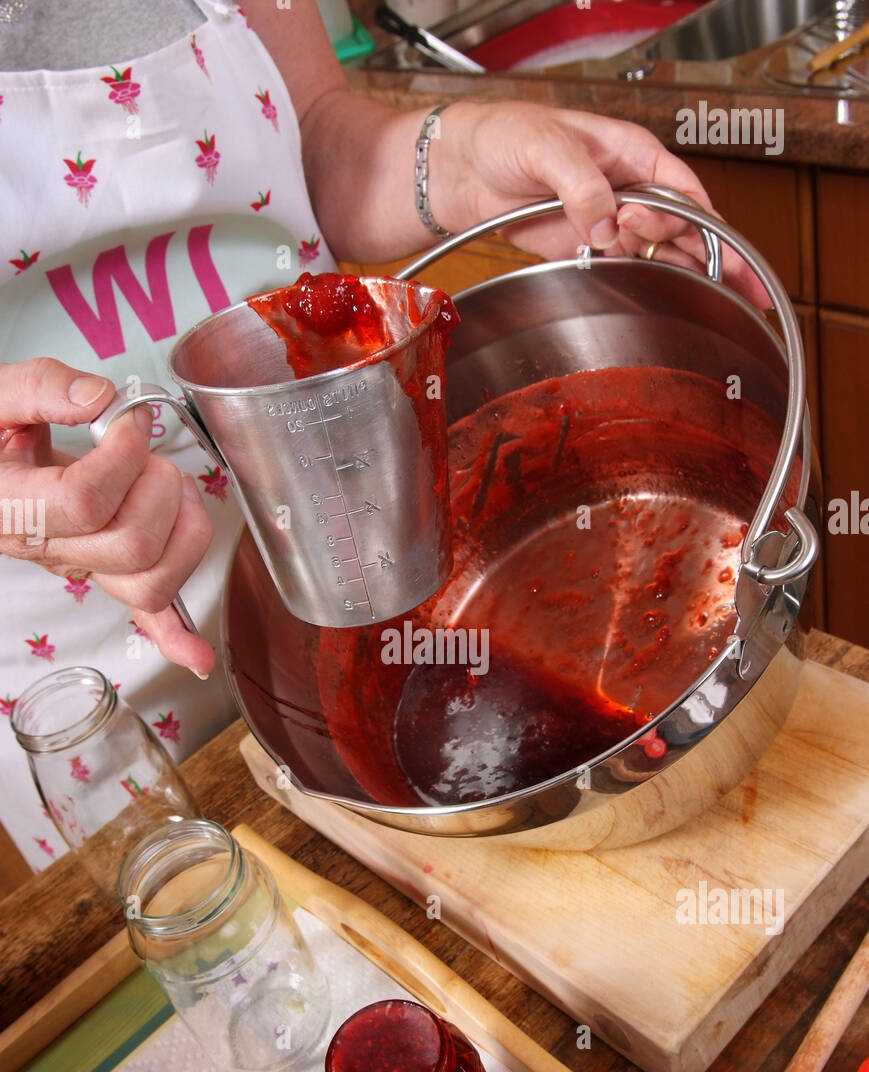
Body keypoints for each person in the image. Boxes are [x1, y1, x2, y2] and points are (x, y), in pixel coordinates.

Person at [0, 0, 765, 871]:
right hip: (77, 660)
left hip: (361, 515)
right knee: (202, 922)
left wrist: (467, 157)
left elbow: (315, 137)